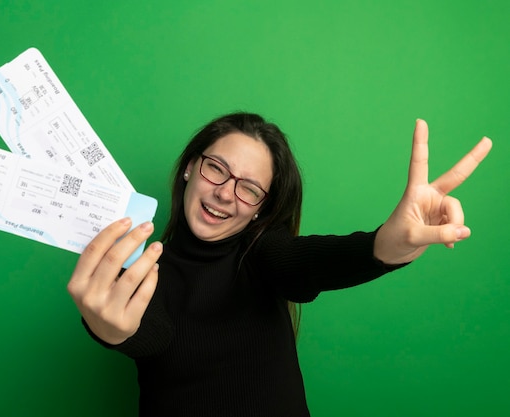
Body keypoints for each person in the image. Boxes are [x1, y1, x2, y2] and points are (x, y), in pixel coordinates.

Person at [67, 113, 492, 416]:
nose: (225, 194)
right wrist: (110, 329)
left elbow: (304, 262)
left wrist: (385, 246)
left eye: (249, 189)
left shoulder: (263, 253)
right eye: (217, 169)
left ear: (259, 210)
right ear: (191, 169)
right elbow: (153, 335)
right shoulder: (144, 265)